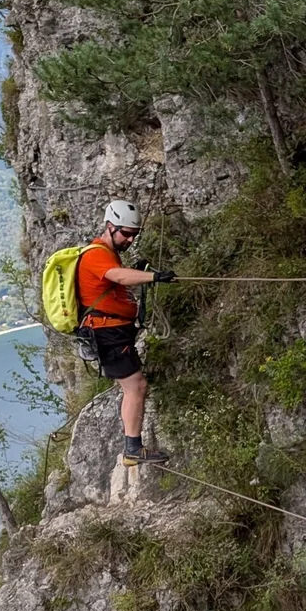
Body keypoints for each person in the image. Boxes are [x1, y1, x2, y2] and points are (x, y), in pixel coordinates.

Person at [77, 199, 174, 467]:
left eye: (134, 235)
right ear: (110, 227)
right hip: (107, 334)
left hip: (114, 332)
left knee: (135, 386)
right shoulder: (95, 254)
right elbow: (119, 277)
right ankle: (133, 448)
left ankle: (133, 447)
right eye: (125, 233)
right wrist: (153, 277)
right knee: (136, 386)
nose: (130, 239)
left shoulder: (108, 253)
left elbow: (118, 279)